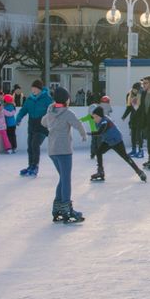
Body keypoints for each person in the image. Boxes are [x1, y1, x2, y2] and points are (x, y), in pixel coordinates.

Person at [42, 86, 87, 223]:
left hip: (52, 150)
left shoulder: (50, 111)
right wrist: (83, 134)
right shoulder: (67, 113)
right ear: (66, 99)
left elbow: (43, 122)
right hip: (64, 151)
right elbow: (78, 124)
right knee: (66, 179)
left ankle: (58, 208)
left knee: (63, 178)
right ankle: (66, 209)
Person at [89, 106, 146, 183]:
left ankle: (139, 172)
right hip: (108, 141)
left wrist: (88, 133)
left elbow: (100, 132)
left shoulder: (105, 121)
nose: (94, 119)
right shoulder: (97, 121)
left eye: (95, 117)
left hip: (117, 141)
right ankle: (100, 172)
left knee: (125, 157)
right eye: (93, 117)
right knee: (98, 152)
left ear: (100, 116)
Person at [15, 80, 52, 177]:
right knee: (30, 147)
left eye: (36, 88)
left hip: (42, 126)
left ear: (40, 89)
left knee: (35, 145)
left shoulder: (47, 98)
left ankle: (35, 166)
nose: (34, 90)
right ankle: (30, 166)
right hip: (31, 125)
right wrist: (18, 118)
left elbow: (53, 110)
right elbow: (23, 110)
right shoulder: (29, 99)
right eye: (32, 88)